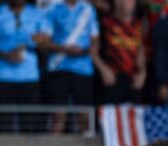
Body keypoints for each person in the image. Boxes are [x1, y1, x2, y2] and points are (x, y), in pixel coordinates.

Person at [39, 0, 100, 134]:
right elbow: (44, 43)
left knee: (85, 117)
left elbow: (95, 40)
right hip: (58, 68)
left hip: (83, 69)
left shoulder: (88, 9)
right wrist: (66, 49)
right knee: (58, 116)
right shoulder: (53, 9)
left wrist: (88, 51)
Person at [0, 0, 47, 133]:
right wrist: (6, 55)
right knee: (4, 126)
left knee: (29, 125)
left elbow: (45, 43)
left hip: (30, 77)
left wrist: (36, 42)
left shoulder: (36, 14)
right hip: (4, 77)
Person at [97, 0, 146, 105]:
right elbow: (92, 51)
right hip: (111, 79)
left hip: (132, 81)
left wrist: (142, 72)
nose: (126, 3)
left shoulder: (138, 25)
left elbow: (140, 50)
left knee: (132, 119)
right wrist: (103, 69)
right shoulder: (105, 23)